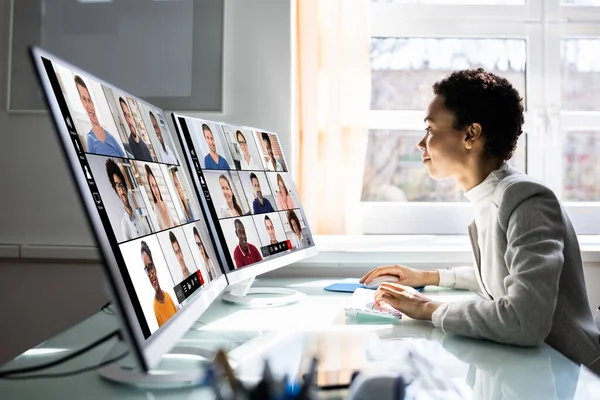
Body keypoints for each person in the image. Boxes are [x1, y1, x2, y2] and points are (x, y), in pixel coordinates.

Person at [360, 68, 600, 374]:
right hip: (535, 369)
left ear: (471, 134)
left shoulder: (527, 200)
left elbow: (525, 320)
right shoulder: (493, 195)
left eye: (431, 130)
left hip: (573, 374)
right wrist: (429, 277)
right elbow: (505, 275)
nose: (421, 144)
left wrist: (427, 308)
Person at [74, 75, 125, 157]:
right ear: (81, 102)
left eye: (89, 100)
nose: (89, 105)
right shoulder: (90, 139)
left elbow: (124, 157)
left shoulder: (109, 135)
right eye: (84, 99)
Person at [105, 159, 151, 240]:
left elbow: (149, 233)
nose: (122, 191)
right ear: (117, 193)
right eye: (118, 187)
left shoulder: (140, 215)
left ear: (126, 188)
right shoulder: (124, 223)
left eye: (121, 185)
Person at [141, 240, 177, 328]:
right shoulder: (155, 308)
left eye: (150, 267)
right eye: (146, 270)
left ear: (155, 267)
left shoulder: (168, 296)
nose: (151, 274)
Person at [120, 97, 153, 162]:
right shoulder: (131, 142)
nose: (129, 120)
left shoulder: (142, 142)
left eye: (129, 115)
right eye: (125, 115)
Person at [145, 165, 177, 230]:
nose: (156, 190)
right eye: (152, 186)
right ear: (151, 189)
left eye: (156, 185)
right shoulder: (156, 210)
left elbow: (175, 222)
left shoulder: (165, 203)